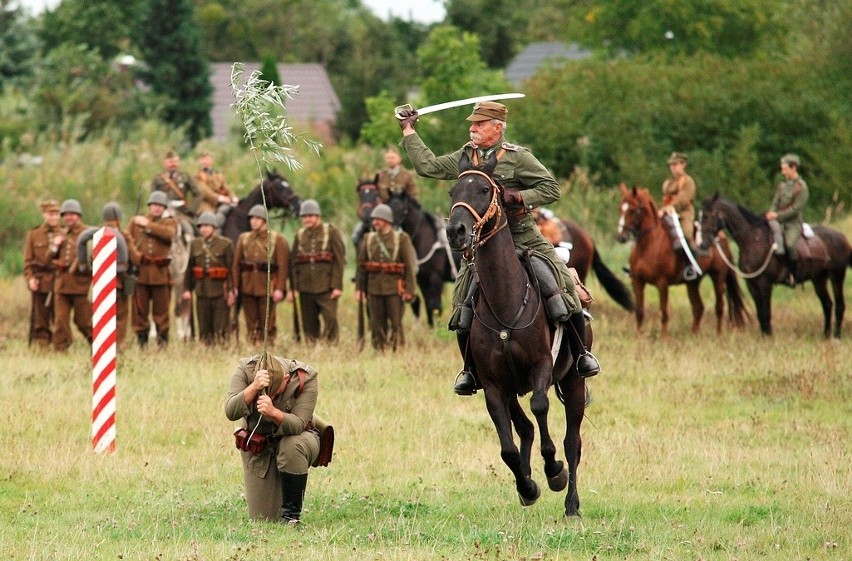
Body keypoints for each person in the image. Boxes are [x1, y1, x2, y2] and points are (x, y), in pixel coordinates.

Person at [398, 101, 600, 394]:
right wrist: (408, 131)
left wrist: (519, 198)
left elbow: (551, 188)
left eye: (479, 124)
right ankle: (469, 370)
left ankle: (581, 355)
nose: (472, 128)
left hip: (522, 235)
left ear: (497, 127)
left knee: (563, 286)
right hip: (483, 242)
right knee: (462, 303)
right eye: (473, 124)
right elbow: (428, 166)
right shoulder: (467, 155)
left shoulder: (519, 158)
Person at [225, 353, 320, 523]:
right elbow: (231, 411)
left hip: (298, 440)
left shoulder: (305, 377)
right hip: (261, 448)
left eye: (276, 393)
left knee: (291, 444)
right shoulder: (244, 370)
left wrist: (273, 412)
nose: (271, 397)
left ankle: (292, 516)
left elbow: (298, 425)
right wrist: (253, 388)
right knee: (264, 520)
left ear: (285, 379)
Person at [355, 203, 417, 352]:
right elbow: (361, 266)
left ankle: (398, 349)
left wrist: (410, 290)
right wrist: (359, 288)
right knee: (376, 323)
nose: (375, 222)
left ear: (387, 220)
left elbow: (409, 266)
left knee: (396, 323)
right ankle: (380, 350)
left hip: (394, 288)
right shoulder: (368, 239)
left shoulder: (401, 239)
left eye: (379, 219)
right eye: (374, 219)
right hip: (373, 288)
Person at [288, 200, 346, 344]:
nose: (307, 219)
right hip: (305, 287)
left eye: (311, 216)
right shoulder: (300, 235)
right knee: (309, 324)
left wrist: (337, 286)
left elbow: (339, 260)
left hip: (326, 287)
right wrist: (293, 288)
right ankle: (312, 349)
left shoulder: (331, 232)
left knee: (330, 319)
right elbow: (294, 263)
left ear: (318, 216)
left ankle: (332, 347)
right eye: (304, 216)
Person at [76, 203, 132, 348]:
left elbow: (87, 254)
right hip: (118, 283)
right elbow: (133, 260)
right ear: (119, 218)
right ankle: (117, 346)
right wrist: (130, 242)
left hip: (99, 283)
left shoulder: (95, 233)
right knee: (120, 316)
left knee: (100, 315)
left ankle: (102, 345)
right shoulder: (123, 236)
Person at [232, 205, 289, 345]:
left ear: (264, 220)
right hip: (248, 285)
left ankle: (268, 345)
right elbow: (236, 264)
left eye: (258, 218)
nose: (254, 221)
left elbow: (282, 266)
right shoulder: (244, 238)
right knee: (250, 320)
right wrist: (235, 286)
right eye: (252, 218)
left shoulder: (277, 239)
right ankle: (252, 345)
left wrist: (280, 288)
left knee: (267, 321)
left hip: (268, 286)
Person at [127, 191, 178, 347]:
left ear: (164, 208)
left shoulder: (169, 222)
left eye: (160, 206)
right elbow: (127, 240)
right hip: (140, 273)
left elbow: (169, 235)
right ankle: (142, 343)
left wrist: (147, 225)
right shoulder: (135, 222)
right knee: (140, 312)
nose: (156, 208)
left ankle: (162, 344)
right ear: (149, 206)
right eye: (154, 205)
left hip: (160, 274)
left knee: (161, 312)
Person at [182, 212, 234, 344]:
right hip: (201, 290)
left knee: (220, 326)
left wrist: (232, 290)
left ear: (214, 228)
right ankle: (206, 349)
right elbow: (189, 268)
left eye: (207, 226)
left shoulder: (225, 244)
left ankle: (221, 348)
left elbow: (232, 270)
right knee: (204, 326)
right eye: (201, 226)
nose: (203, 229)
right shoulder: (195, 244)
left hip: (220, 291)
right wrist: (187, 289)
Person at [52, 199, 93, 351]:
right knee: (60, 321)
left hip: (80, 285)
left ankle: (98, 345)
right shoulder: (61, 234)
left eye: (72, 214)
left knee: (83, 322)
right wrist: (55, 246)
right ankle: (60, 350)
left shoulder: (88, 233)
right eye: (66, 215)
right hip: (62, 285)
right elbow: (47, 257)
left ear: (79, 215)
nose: (69, 218)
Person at [766, 153, 809, 286]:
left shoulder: (802, 188)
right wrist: (771, 212)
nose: (782, 172)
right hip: (777, 221)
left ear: (793, 168)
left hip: (792, 223)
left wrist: (777, 215)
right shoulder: (782, 186)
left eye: (785, 169)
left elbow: (795, 209)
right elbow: (775, 202)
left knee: (790, 244)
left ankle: (793, 273)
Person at [23, 199, 62, 347]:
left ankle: (60, 346)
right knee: (41, 318)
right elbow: (28, 262)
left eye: (56, 213)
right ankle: (42, 347)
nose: (53, 217)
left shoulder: (64, 232)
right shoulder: (34, 234)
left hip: (60, 281)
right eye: (50, 214)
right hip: (42, 280)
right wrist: (30, 279)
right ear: (44, 214)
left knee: (60, 318)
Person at [659, 152, 699, 256]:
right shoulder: (668, 183)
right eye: (671, 165)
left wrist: (670, 208)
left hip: (684, 213)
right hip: (667, 212)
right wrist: (663, 209)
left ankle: (691, 262)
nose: (673, 168)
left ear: (683, 165)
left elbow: (683, 200)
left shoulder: (688, 182)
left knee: (686, 233)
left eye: (675, 165)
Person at [150, 150, 202, 227]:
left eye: (175, 161)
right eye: (170, 162)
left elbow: (198, 194)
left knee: (190, 229)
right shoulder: (157, 179)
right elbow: (153, 198)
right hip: (162, 211)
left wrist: (191, 210)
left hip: (182, 212)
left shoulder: (186, 176)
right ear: (165, 163)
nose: (173, 164)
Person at [195, 151, 239, 223]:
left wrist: (233, 197)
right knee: (209, 219)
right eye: (203, 159)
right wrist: (221, 198)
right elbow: (206, 192)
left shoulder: (218, 174)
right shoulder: (198, 176)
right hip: (207, 203)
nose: (205, 162)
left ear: (212, 160)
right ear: (200, 161)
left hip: (222, 201)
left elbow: (226, 188)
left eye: (207, 159)